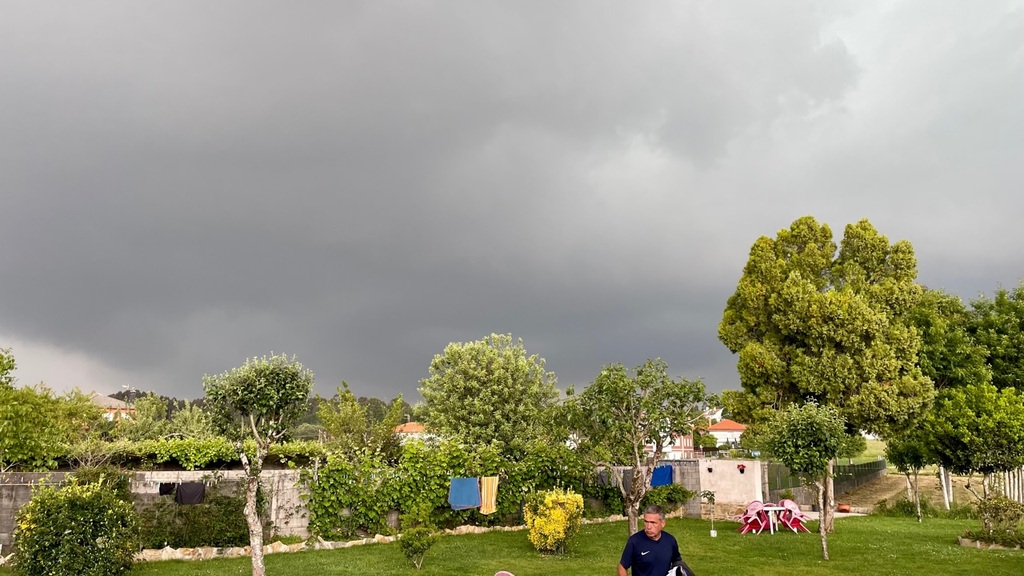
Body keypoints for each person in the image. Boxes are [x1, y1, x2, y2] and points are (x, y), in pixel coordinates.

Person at [617, 505, 694, 576]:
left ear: (662, 523)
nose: (649, 527)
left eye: (653, 523)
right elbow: (622, 567)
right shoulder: (634, 541)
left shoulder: (670, 541)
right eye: (646, 522)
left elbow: (677, 562)